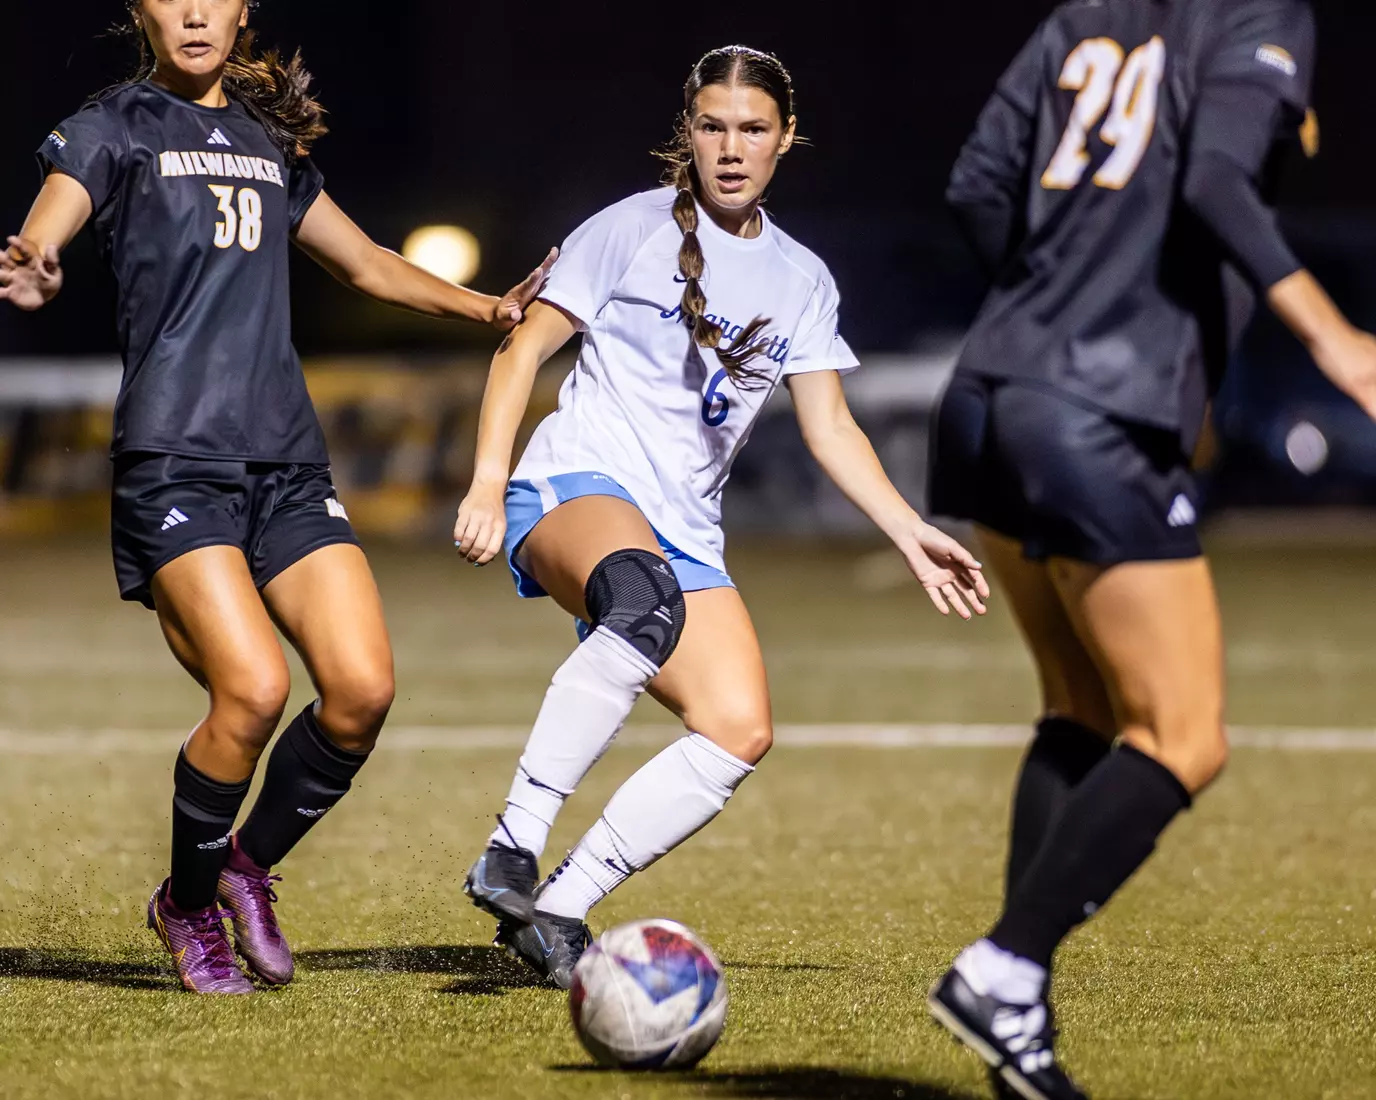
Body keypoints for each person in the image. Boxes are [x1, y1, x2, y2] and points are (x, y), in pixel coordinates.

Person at [0, 0, 553, 995]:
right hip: (175, 464)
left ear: (244, 7)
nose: (196, 10)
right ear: (141, 9)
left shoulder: (266, 138)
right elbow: (54, 216)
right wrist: (37, 263)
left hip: (287, 465)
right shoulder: (113, 125)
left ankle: (236, 867)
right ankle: (187, 904)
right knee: (251, 691)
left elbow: (368, 261)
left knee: (360, 692)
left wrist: (490, 306)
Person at [452, 44, 990, 989]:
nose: (730, 148)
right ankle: (512, 844)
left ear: (786, 139)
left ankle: (560, 910)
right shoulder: (628, 229)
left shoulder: (802, 279)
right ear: (687, 135)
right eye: (712, 127)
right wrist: (489, 482)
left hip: (682, 530)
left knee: (739, 727)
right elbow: (520, 354)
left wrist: (912, 532)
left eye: (751, 129)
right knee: (641, 599)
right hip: (576, 483)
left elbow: (832, 430)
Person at [924, 1, 1376, 1096]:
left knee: (1078, 711)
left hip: (990, 389)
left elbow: (975, 187)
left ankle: (1013, 1017)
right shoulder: (1253, 16)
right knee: (1183, 734)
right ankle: (1003, 967)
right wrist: (1338, 341)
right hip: (1095, 410)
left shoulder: (1080, 15)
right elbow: (1214, 184)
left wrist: (1050, 301)